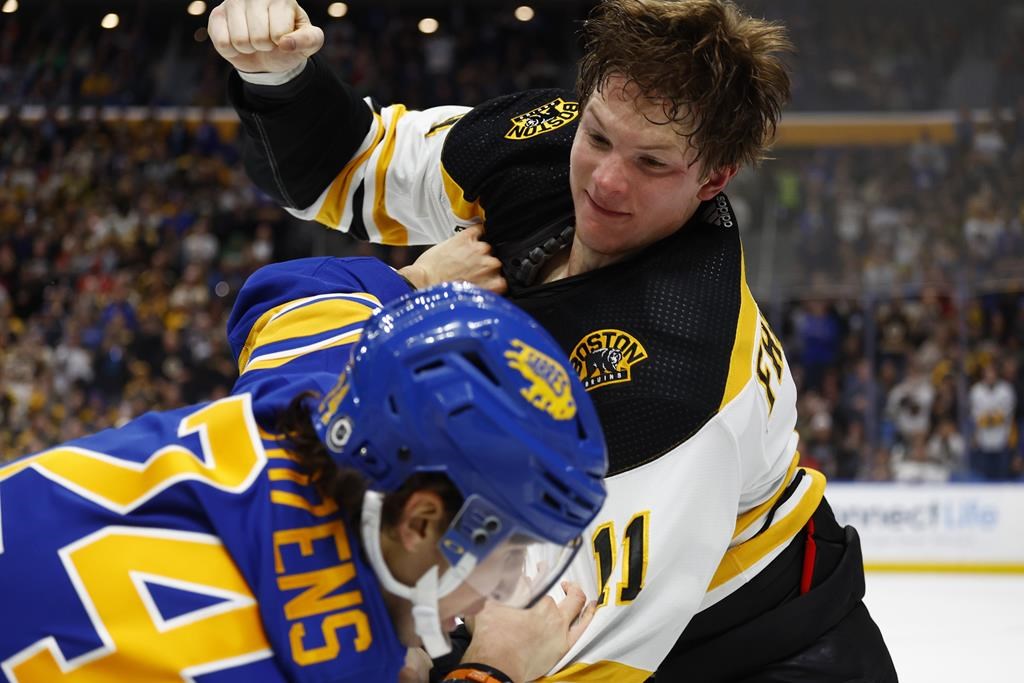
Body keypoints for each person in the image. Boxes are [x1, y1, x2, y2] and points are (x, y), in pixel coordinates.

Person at [210, 0, 897, 679]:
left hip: (764, 651)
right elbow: (349, 166)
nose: (604, 181)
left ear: (713, 179)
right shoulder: (529, 143)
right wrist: (280, 77)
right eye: (597, 136)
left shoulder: (677, 388)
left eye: (652, 164)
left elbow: (565, 656)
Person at [0, 244, 608, 683]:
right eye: (506, 558)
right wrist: (489, 670)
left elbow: (299, 293)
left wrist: (417, 280)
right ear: (420, 523)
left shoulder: (308, 400)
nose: (501, 594)